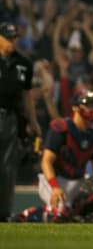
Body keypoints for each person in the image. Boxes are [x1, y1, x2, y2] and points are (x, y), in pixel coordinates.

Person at [10, 90, 93, 222]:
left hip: (78, 180)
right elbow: (46, 161)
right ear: (75, 108)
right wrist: (55, 187)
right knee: (59, 215)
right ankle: (24, 217)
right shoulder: (61, 128)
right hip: (55, 178)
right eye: (88, 105)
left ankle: (81, 213)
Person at [0, 22, 41, 222]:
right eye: (8, 37)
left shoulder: (24, 63)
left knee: (8, 167)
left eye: (14, 37)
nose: (12, 41)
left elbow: (26, 95)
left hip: (10, 118)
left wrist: (32, 121)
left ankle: (4, 213)